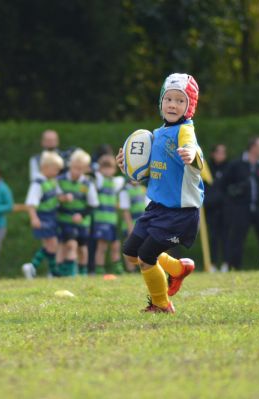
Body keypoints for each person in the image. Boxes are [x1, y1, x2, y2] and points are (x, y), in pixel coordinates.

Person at [117, 73, 203, 313]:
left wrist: (191, 155)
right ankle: (178, 269)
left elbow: (195, 153)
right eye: (169, 99)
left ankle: (161, 304)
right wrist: (127, 166)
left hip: (180, 213)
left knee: (146, 259)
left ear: (189, 107)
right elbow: (146, 173)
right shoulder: (155, 135)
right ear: (161, 103)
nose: (173, 105)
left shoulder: (185, 131)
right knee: (131, 254)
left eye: (180, 100)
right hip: (156, 208)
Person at [223, 136, 259, 270]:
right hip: (241, 209)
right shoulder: (236, 164)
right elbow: (225, 185)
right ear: (253, 147)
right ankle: (234, 267)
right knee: (237, 239)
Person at [56, 149, 99, 276]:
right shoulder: (60, 180)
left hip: (82, 221)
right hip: (65, 220)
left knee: (82, 248)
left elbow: (93, 204)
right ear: (70, 165)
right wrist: (62, 198)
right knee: (69, 244)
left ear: (86, 169)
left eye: (80, 169)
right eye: (75, 167)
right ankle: (66, 273)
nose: (77, 171)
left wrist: (81, 215)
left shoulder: (87, 183)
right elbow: (55, 200)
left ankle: (83, 273)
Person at [22, 151, 64, 279]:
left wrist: (64, 198)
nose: (57, 172)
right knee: (51, 243)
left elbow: (57, 195)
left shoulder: (51, 181)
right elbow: (30, 203)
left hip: (51, 216)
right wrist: (34, 218)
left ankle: (51, 271)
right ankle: (33, 266)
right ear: (45, 168)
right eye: (56, 169)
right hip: (43, 216)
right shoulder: (38, 183)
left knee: (51, 244)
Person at [92, 154, 125, 276]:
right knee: (102, 247)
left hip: (112, 220)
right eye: (104, 167)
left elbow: (124, 178)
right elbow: (95, 172)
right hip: (101, 220)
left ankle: (118, 268)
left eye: (110, 167)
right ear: (100, 169)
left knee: (116, 246)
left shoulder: (115, 182)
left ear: (114, 169)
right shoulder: (99, 181)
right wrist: (97, 167)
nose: (107, 170)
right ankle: (99, 270)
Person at [204, 143, 230, 273]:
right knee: (213, 237)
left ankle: (226, 263)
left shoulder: (229, 168)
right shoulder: (206, 168)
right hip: (210, 209)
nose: (221, 155)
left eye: (223, 152)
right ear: (213, 154)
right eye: (219, 152)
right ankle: (212, 264)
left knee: (225, 236)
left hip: (225, 209)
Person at [118, 180, 148, 272]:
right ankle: (131, 270)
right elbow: (125, 211)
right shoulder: (125, 190)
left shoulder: (143, 189)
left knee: (144, 247)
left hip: (143, 223)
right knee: (130, 248)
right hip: (131, 224)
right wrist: (130, 227)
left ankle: (143, 268)